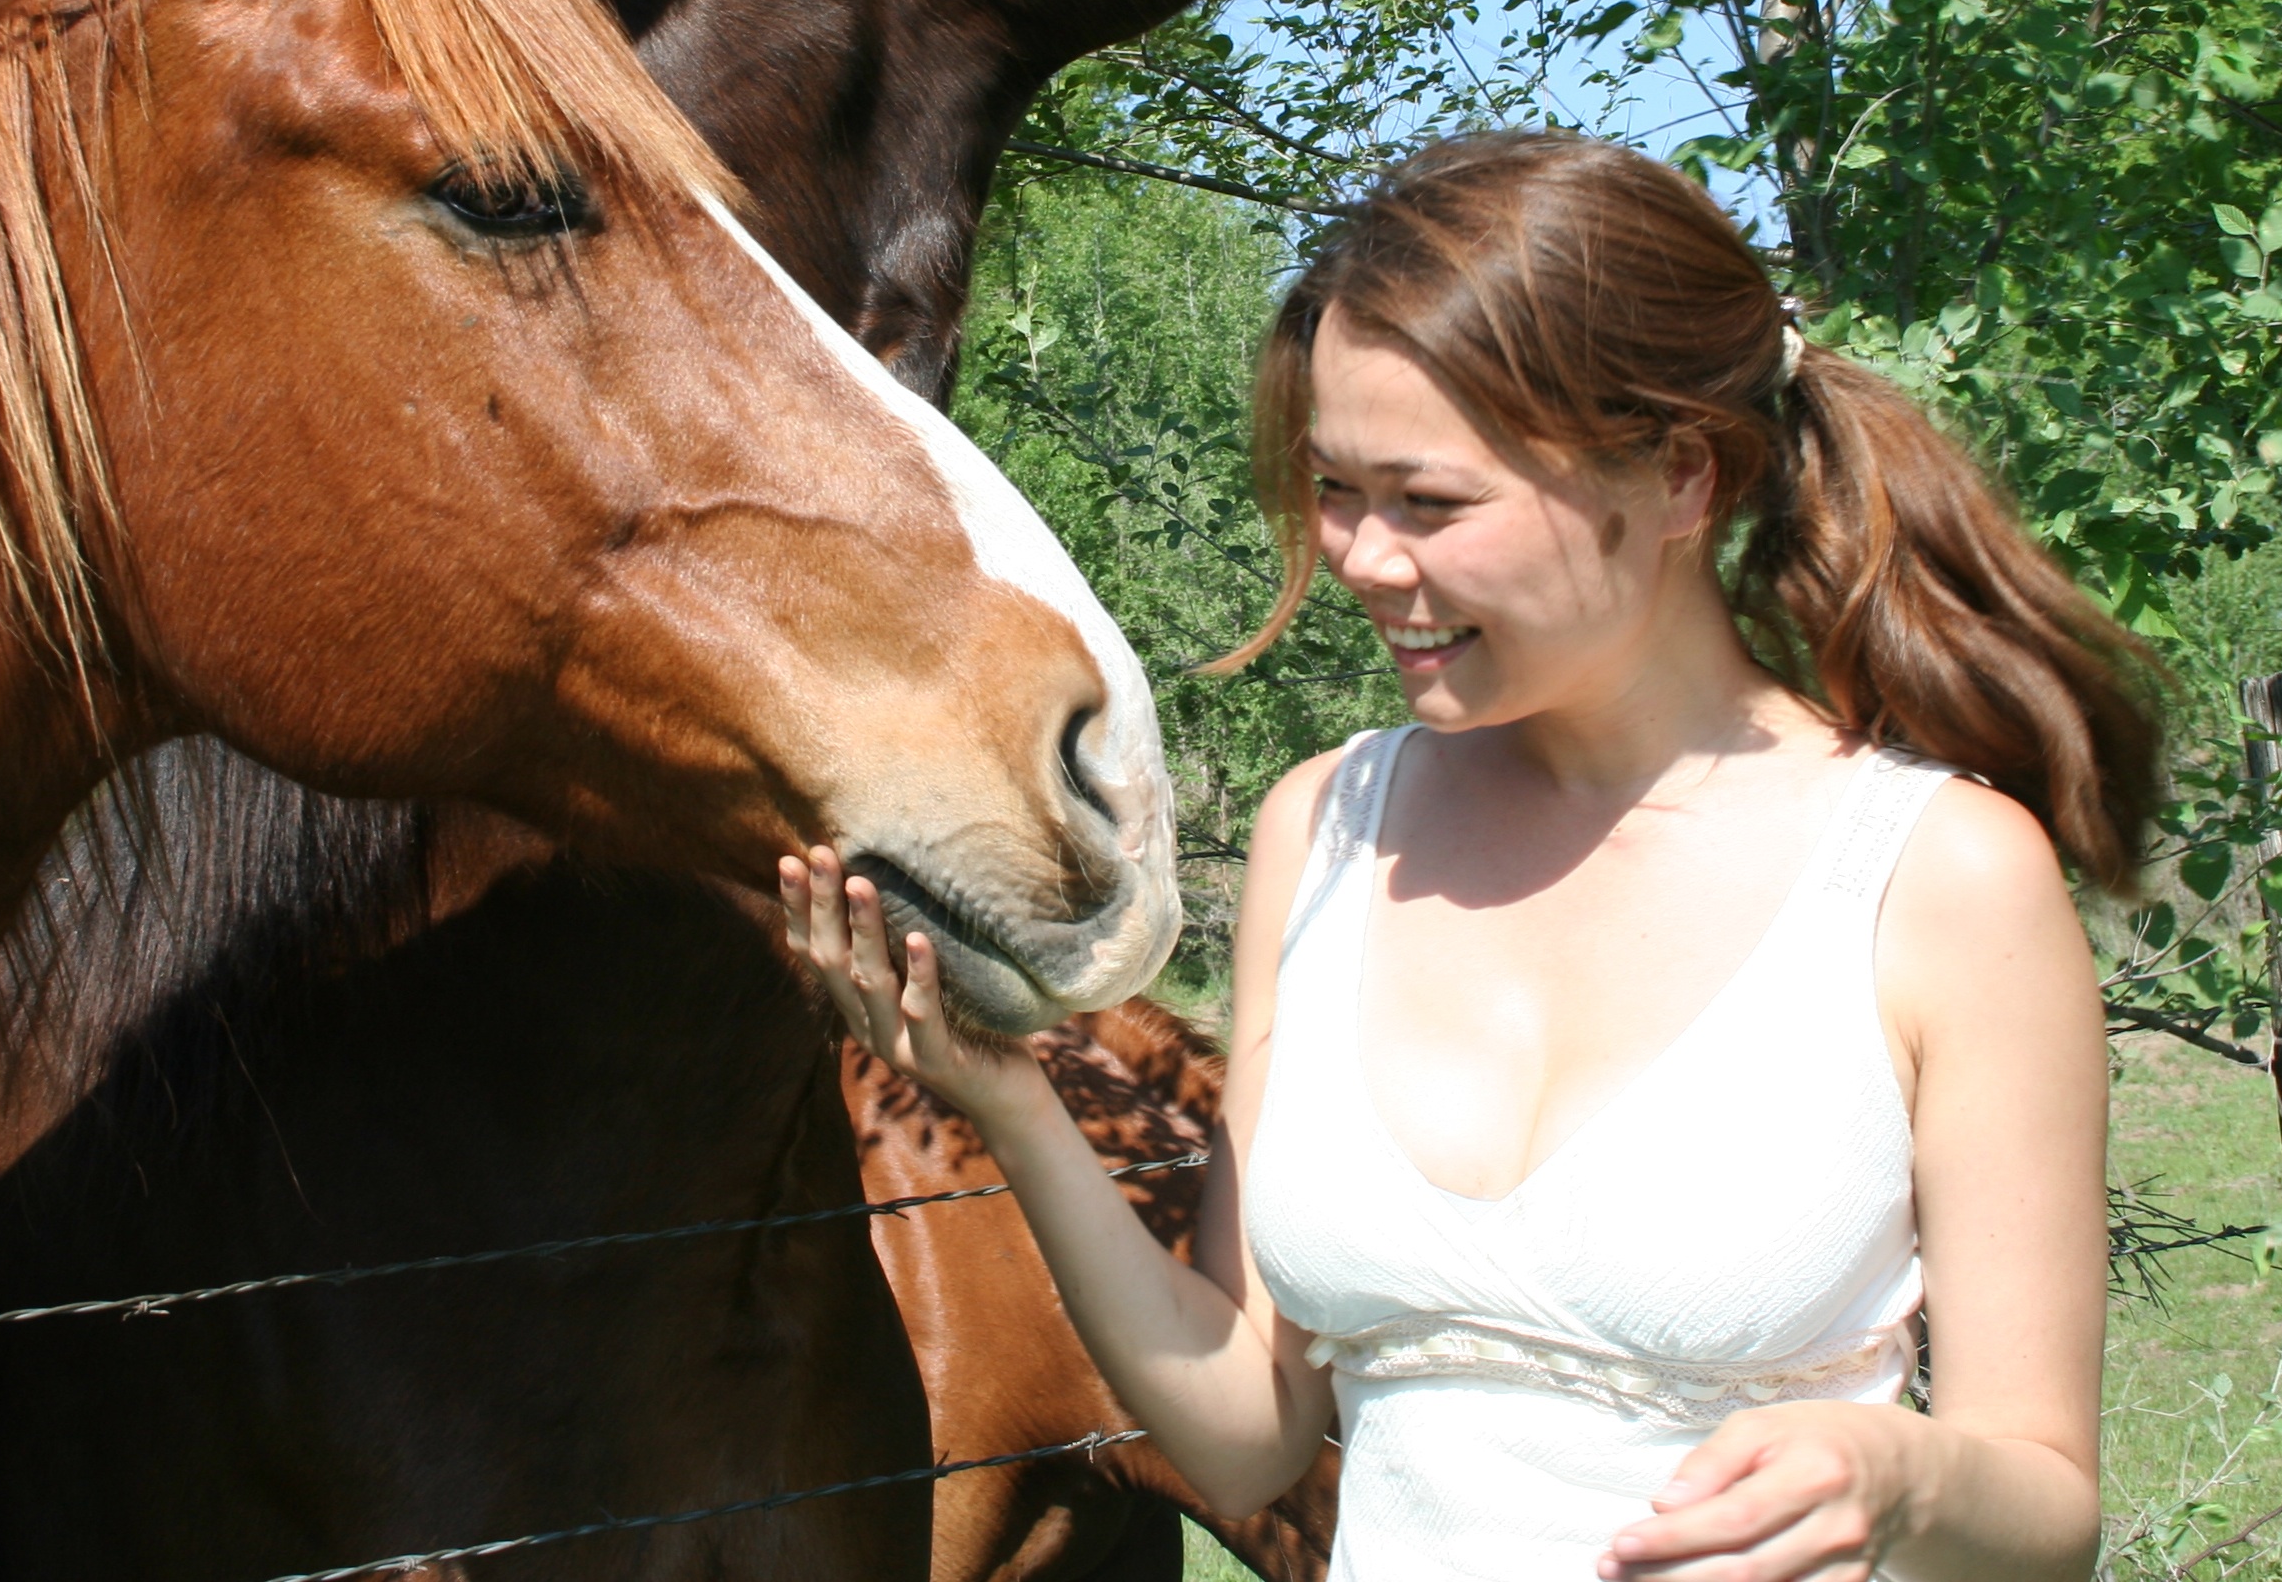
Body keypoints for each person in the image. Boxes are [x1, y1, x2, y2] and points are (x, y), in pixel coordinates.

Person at [782, 131, 2157, 1581]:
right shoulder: (1324, 825)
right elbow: (1248, 1427)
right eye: (1335, 489)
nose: (1365, 559)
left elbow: (2042, 1506)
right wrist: (1012, 1104)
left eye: (1429, 502)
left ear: (1681, 475)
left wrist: (1900, 1472)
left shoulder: (1935, 877)